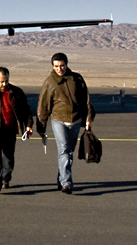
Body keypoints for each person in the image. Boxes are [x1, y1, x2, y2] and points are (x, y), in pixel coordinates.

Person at [35, 53, 95, 194]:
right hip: (58, 120)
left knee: (69, 152)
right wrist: (41, 127)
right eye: (56, 66)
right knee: (63, 150)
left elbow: (86, 100)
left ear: (67, 64)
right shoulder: (50, 82)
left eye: (62, 66)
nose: (59, 69)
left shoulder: (77, 79)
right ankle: (67, 183)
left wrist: (88, 119)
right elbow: (43, 106)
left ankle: (61, 178)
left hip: (75, 120)